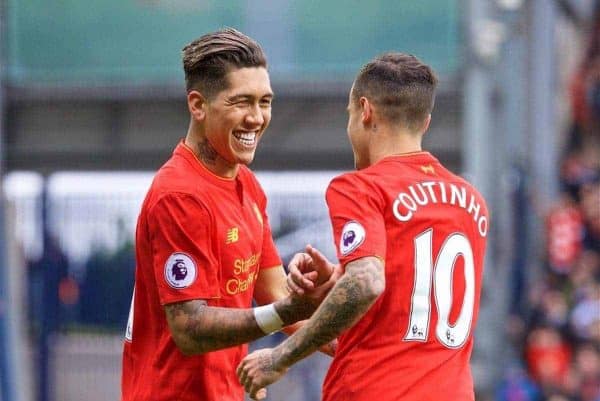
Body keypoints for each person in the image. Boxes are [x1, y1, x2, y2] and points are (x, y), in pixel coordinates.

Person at [238, 53, 489, 401]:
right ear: (426, 122)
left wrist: (281, 356)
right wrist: (335, 284)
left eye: (349, 115)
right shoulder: (470, 201)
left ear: (365, 111)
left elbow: (367, 281)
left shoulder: (361, 187)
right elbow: (403, 306)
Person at [121, 28, 334, 401]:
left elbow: (278, 293)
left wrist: (353, 336)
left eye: (265, 102)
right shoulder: (180, 195)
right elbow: (189, 328)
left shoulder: (247, 186)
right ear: (198, 105)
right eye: (242, 102)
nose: (256, 118)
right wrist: (285, 311)